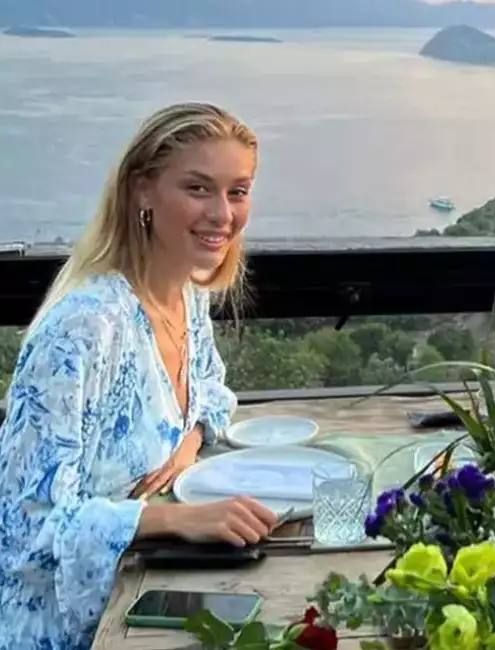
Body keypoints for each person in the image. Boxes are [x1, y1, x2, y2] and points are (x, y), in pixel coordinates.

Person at [0, 102, 280, 650]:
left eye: (238, 191)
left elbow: (211, 391)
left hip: (146, 592)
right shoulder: (84, 329)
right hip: (61, 631)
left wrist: (187, 445)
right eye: (198, 188)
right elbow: (24, 525)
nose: (222, 214)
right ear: (141, 191)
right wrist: (167, 520)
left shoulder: (186, 296)